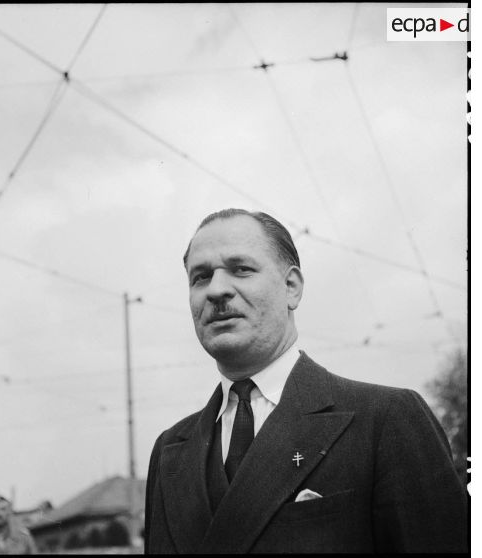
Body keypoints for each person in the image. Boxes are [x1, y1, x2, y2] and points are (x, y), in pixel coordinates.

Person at [144, 208, 468, 554]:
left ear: (291, 288)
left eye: (241, 269)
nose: (217, 290)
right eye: (201, 277)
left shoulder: (387, 420)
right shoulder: (169, 452)